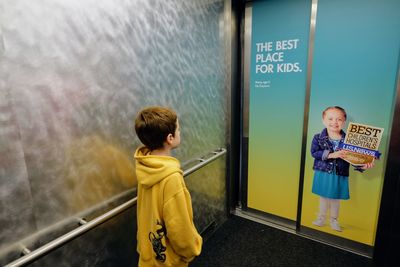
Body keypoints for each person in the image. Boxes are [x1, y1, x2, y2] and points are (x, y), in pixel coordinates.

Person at [134, 106, 202, 266]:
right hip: (168, 261)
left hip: (148, 254)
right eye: (179, 129)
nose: (180, 132)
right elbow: (179, 227)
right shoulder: (171, 177)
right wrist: (192, 249)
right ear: (170, 138)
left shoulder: (145, 165)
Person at [311, 106, 373, 232]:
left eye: (339, 119)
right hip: (323, 172)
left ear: (344, 122)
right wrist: (331, 154)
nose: (334, 122)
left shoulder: (349, 141)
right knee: (323, 197)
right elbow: (314, 152)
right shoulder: (318, 137)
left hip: (340, 174)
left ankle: (334, 220)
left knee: (335, 199)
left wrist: (364, 164)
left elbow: (355, 158)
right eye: (330, 118)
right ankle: (321, 217)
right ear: (323, 120)